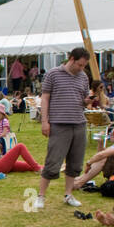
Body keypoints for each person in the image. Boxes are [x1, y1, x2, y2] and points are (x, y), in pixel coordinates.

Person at [37, 47, 92, 209]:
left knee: (75, 163)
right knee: (53, 161)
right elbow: (45, 98)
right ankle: (41, 196)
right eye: (80, 65)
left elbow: (82, 100)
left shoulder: (83, 77)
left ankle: (68, 194)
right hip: (59, 123)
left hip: (79, 123)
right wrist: (45, 121)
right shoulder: (53, 74)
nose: (81, 69)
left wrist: (87, 101)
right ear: (72, 59)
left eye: (84, 66)